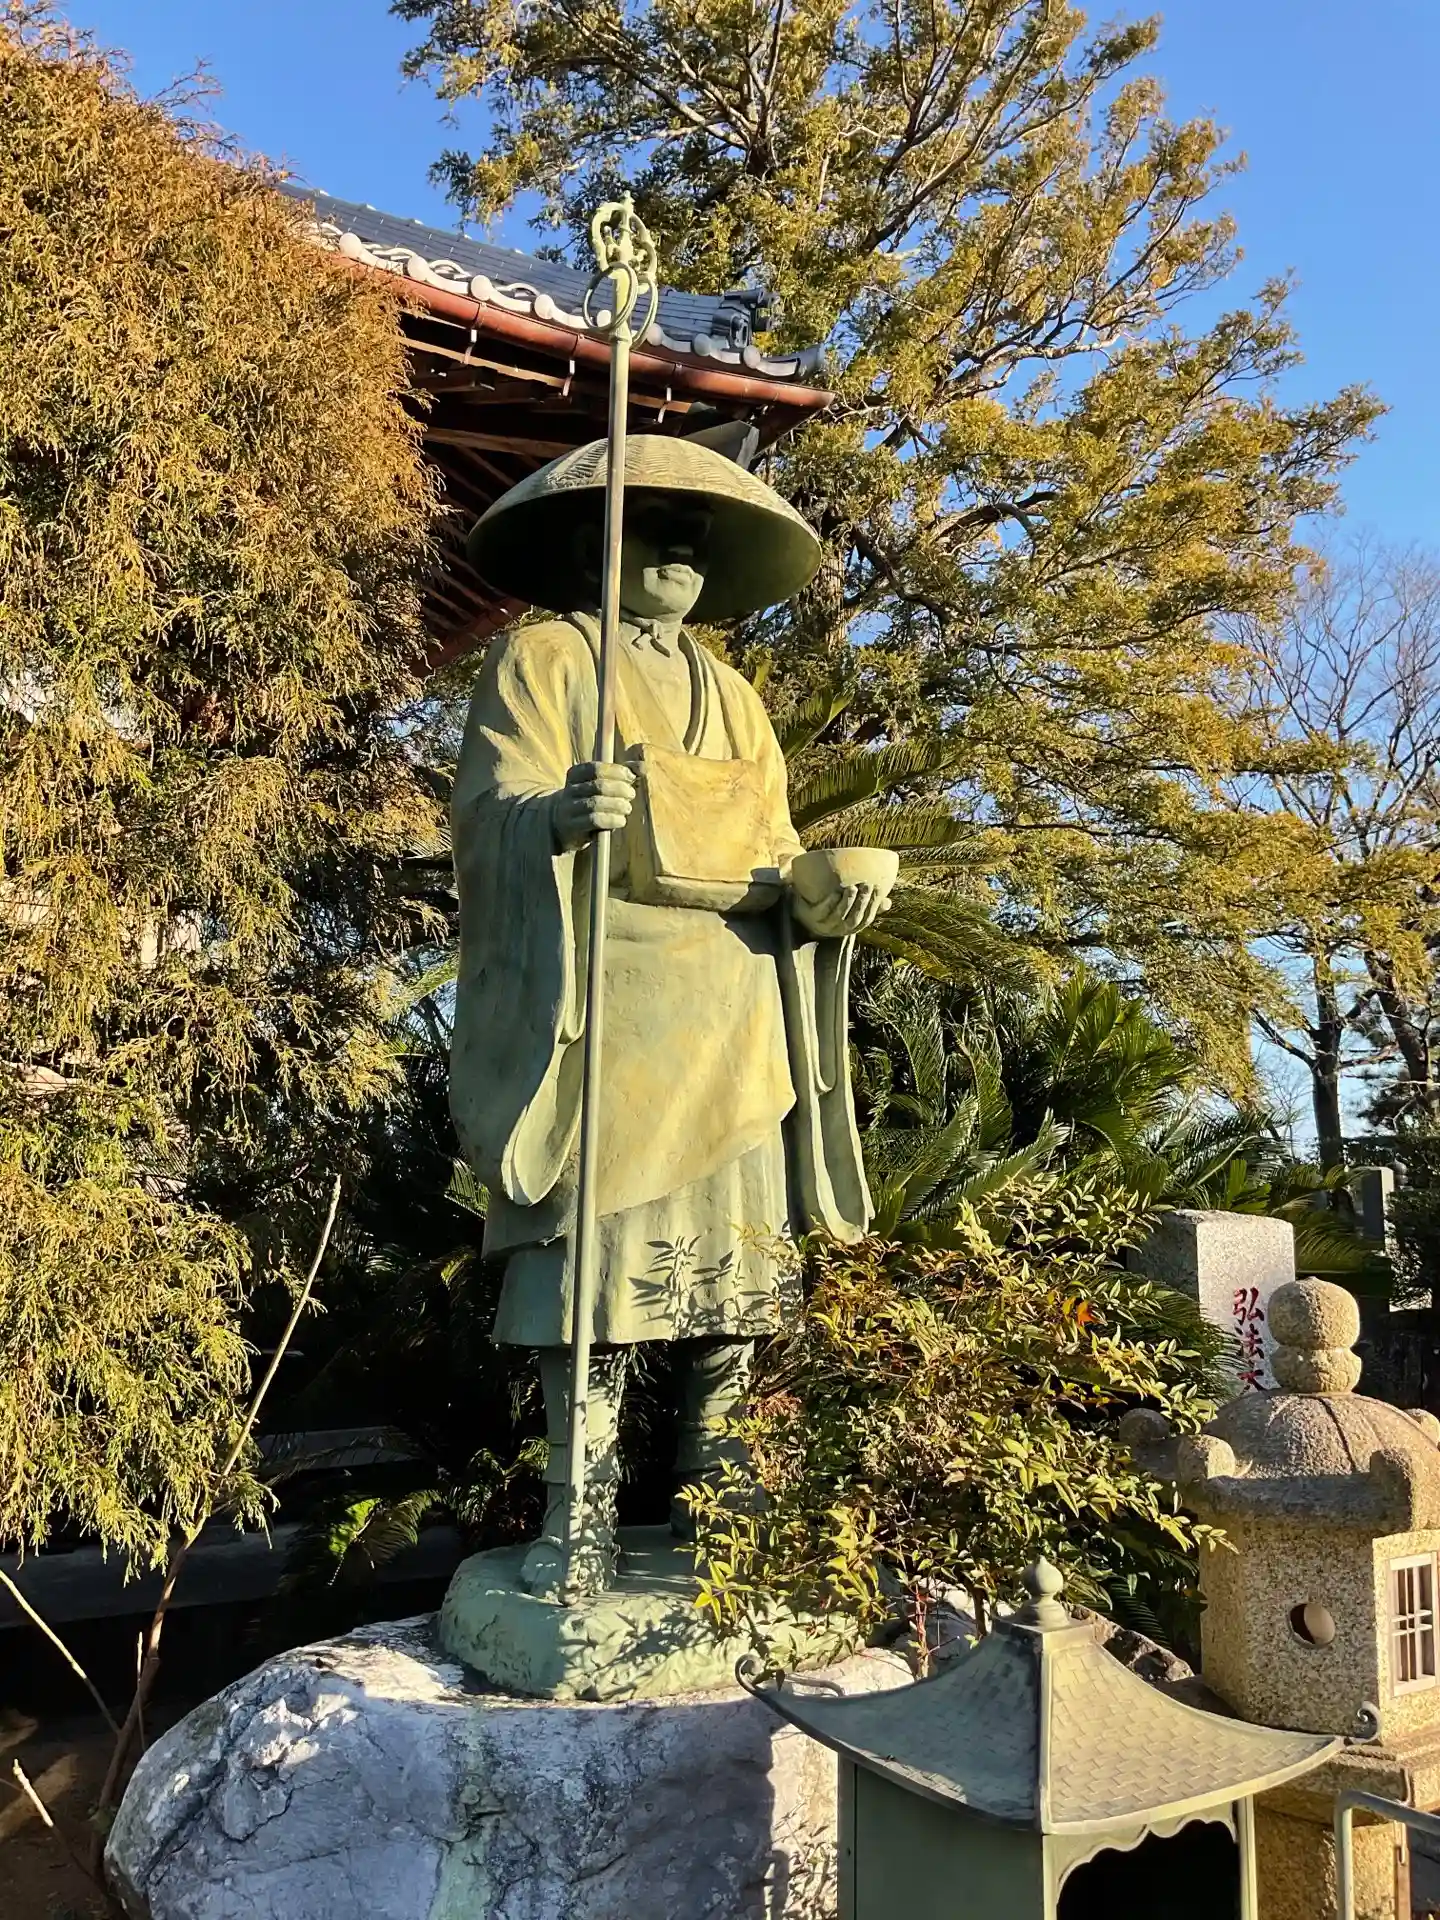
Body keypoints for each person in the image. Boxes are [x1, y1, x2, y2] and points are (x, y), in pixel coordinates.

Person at [450, 432, 890, 1595]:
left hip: (734, 1012)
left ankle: (723, 1516)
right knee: (588, 1281)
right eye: (657, 530)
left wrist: (826, 894)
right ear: (596, 540)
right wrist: (549, 816)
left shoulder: (734, 696)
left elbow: (775, 851)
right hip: (610, 1009)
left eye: (698, 539)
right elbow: (489, 810)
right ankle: (576, 1516)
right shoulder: (545, 659)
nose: (682, 555)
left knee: (729, 1292)